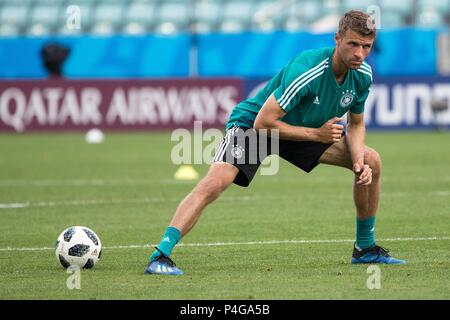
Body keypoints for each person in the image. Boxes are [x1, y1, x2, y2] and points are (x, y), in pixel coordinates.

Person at [145, 10, 405, 275]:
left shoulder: (362, 75)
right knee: (217, 181)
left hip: (302, 130)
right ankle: (160, 255)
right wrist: (317, 135)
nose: (359, 53)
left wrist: (359, 162)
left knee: (371, 160)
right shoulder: (310, 70)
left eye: (366, 47)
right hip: (256, 125)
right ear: (337, 39)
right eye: (353, 44)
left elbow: (357, 123)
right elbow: (263, 123)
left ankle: (365, 249)